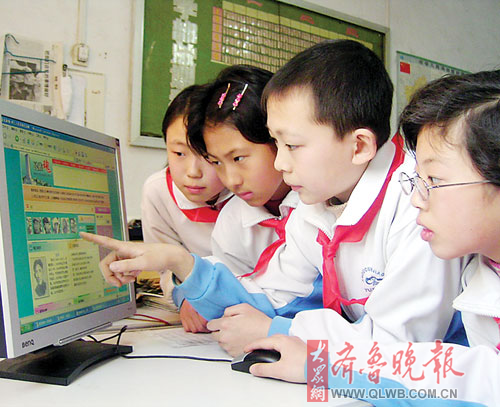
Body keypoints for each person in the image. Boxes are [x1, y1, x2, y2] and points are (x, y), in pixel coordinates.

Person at [246, 69, 500, 407]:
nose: (416, 199)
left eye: (435, 181)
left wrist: (320, 366)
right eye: (419, 179)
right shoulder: (484, 270)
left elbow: (471, 381)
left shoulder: (414, 224)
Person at [203, 39, 462, 356]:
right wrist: (192, 274)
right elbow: (276, 294)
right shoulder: (315, 203)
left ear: (359, 146)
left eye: (292, 145)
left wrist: (283, 332)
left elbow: (402, 345)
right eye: (276, 143)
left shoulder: (418, 204)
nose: (280, 163)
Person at [81, 65, 323, 349]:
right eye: (217, 161)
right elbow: (243, 302)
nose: (230, 180)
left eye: (238, 158)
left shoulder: (322, 206)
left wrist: (278, 336)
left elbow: (333, 328)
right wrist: (182, 273)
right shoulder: (235, 216)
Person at [140, 84, 231, 333]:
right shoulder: (158, 191)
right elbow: (166, 266)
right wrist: (184, 297)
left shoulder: (248, 191)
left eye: (208, 157)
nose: (192, 172)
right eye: (179, 153)